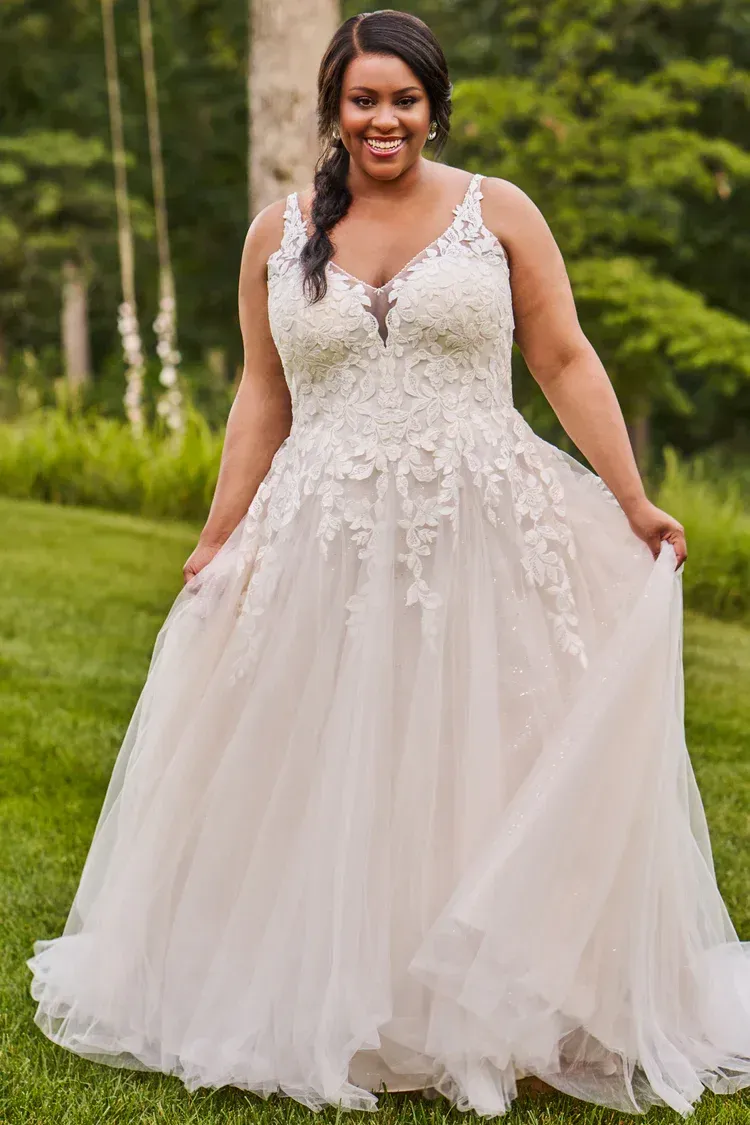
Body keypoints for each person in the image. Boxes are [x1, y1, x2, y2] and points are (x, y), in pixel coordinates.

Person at [28, 9, 750, 1119]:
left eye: (404, 100)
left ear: (432, 105)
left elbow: (562, 355)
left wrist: (632, 496)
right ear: (334, 105)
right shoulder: (276, 235)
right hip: (324, 531)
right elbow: (261, 399)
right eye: (364, 99)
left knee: (477, 750)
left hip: (481, 524)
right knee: (326, 763)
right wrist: (220, 535)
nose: (384, 119)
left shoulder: (496, 212)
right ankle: (339, 990)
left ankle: (500, 995)